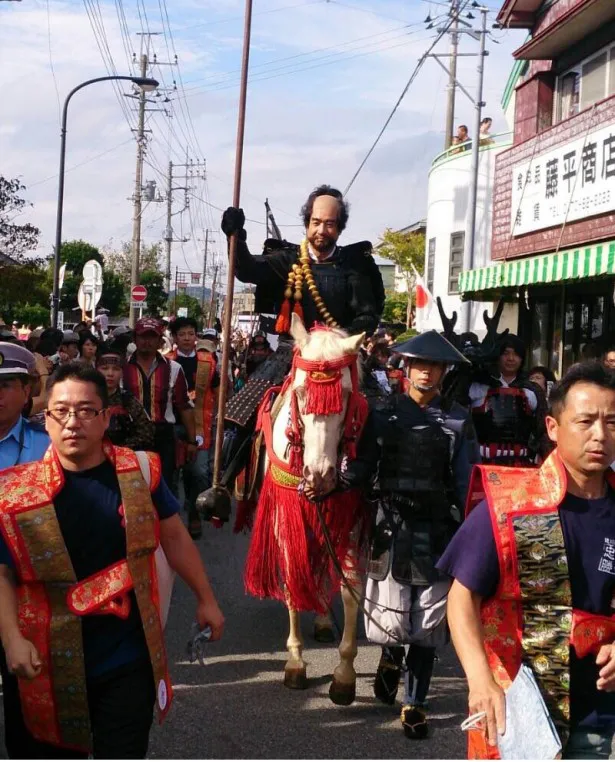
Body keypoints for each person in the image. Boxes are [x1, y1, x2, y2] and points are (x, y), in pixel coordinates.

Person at [0, 362, 224, 759]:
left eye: (86, 410)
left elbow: (173, 535)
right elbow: (2, 571)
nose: (73, 422)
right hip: (44, 657)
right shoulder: (14, 492)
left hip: (126, 655)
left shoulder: (138, 472)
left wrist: (205, 598)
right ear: (45, 421)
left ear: (105, 418)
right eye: (61, 411)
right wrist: (12, 640)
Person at [439, 362, 615, 759]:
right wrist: (479, 679)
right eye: (585, 421)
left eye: (612, 422)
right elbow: (461, 597)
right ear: (553, 428)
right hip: (520, 708)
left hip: (600, 712)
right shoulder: (511, 503)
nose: (600, 435)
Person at [210, 185, 385, 515]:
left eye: (330, 224)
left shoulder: (355, 266)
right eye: (316, 222)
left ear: (340, 227)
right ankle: (222, 485)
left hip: (341, 356)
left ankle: (378, 493)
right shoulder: (289, 259)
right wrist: (236, 235)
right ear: (307, 222)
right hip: (291, 354)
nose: (322, 230)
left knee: (385, 416)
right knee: (235, 416)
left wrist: (336, 343)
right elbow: (247, 269)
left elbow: (368, 314)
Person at [341, 330, 480, 740]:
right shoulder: (382, 414)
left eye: (434, 365)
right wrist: (335, 484)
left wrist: (472, 534)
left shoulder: (458, 420)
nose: (426, 371)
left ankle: (414, 702)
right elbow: (364, 466)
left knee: (428, 625)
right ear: (406, 368)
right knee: (392, 622)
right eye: (419, 364)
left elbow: (466, 483)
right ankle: (388, 657)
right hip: (390, 523)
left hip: (438, 529)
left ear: (444, 371)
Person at [123, 317, 195, 488]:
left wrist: (192, 442)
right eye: (142, 336)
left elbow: (184, 406)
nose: (146, 341)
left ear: (159, 341)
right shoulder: (122, 368)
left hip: (162, 436)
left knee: (163, 486)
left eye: (152, 337)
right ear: (135, 339)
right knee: (131, 487)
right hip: (129, 436)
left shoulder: (174, 368)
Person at [167, 317, 219, 539]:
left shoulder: (208, 361)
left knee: (198, 472)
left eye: (190, 333)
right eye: (182, 334)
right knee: (171, 474)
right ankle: (172, 518)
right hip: (172, 424)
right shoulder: (166, 361)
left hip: (199, 426)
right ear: (175, 338)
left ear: (196, 336)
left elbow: (217, 390)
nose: (187, 338)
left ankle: (194, 514)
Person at [468, 334, 546, 465]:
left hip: (522, 463)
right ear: (497, 356)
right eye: (506, 353)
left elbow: (543, 430)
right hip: (481, 462)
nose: (511, 358)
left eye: (516, 354)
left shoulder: (532, 391)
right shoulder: (476, 387)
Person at [96, 343, 155, 452]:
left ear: (122, 372)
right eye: (104, 368)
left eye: (116, 369)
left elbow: (146, 433)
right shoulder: (87, 399)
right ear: (96, 370)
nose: (110, 373)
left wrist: (119, 450)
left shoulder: (128, 400)